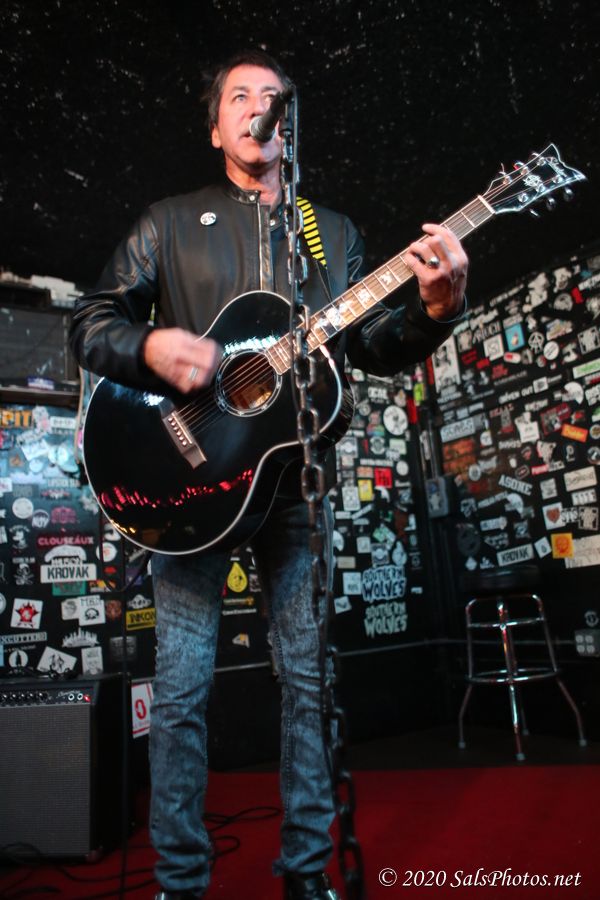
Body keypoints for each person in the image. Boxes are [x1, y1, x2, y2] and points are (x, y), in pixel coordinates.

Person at [69, 49, 468, 900]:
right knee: (181, 689)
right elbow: (91, 321)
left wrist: (436, 310)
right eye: (239, 96)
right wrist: (147, 345)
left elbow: (372, 345)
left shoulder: (333, 233)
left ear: (289, 124)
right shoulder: (168, 222)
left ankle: (306, 870)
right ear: (217, 127)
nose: (258, 107)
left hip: (290, 485)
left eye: (272, 97)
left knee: (310, 685)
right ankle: (181, 879)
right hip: (186, 486)